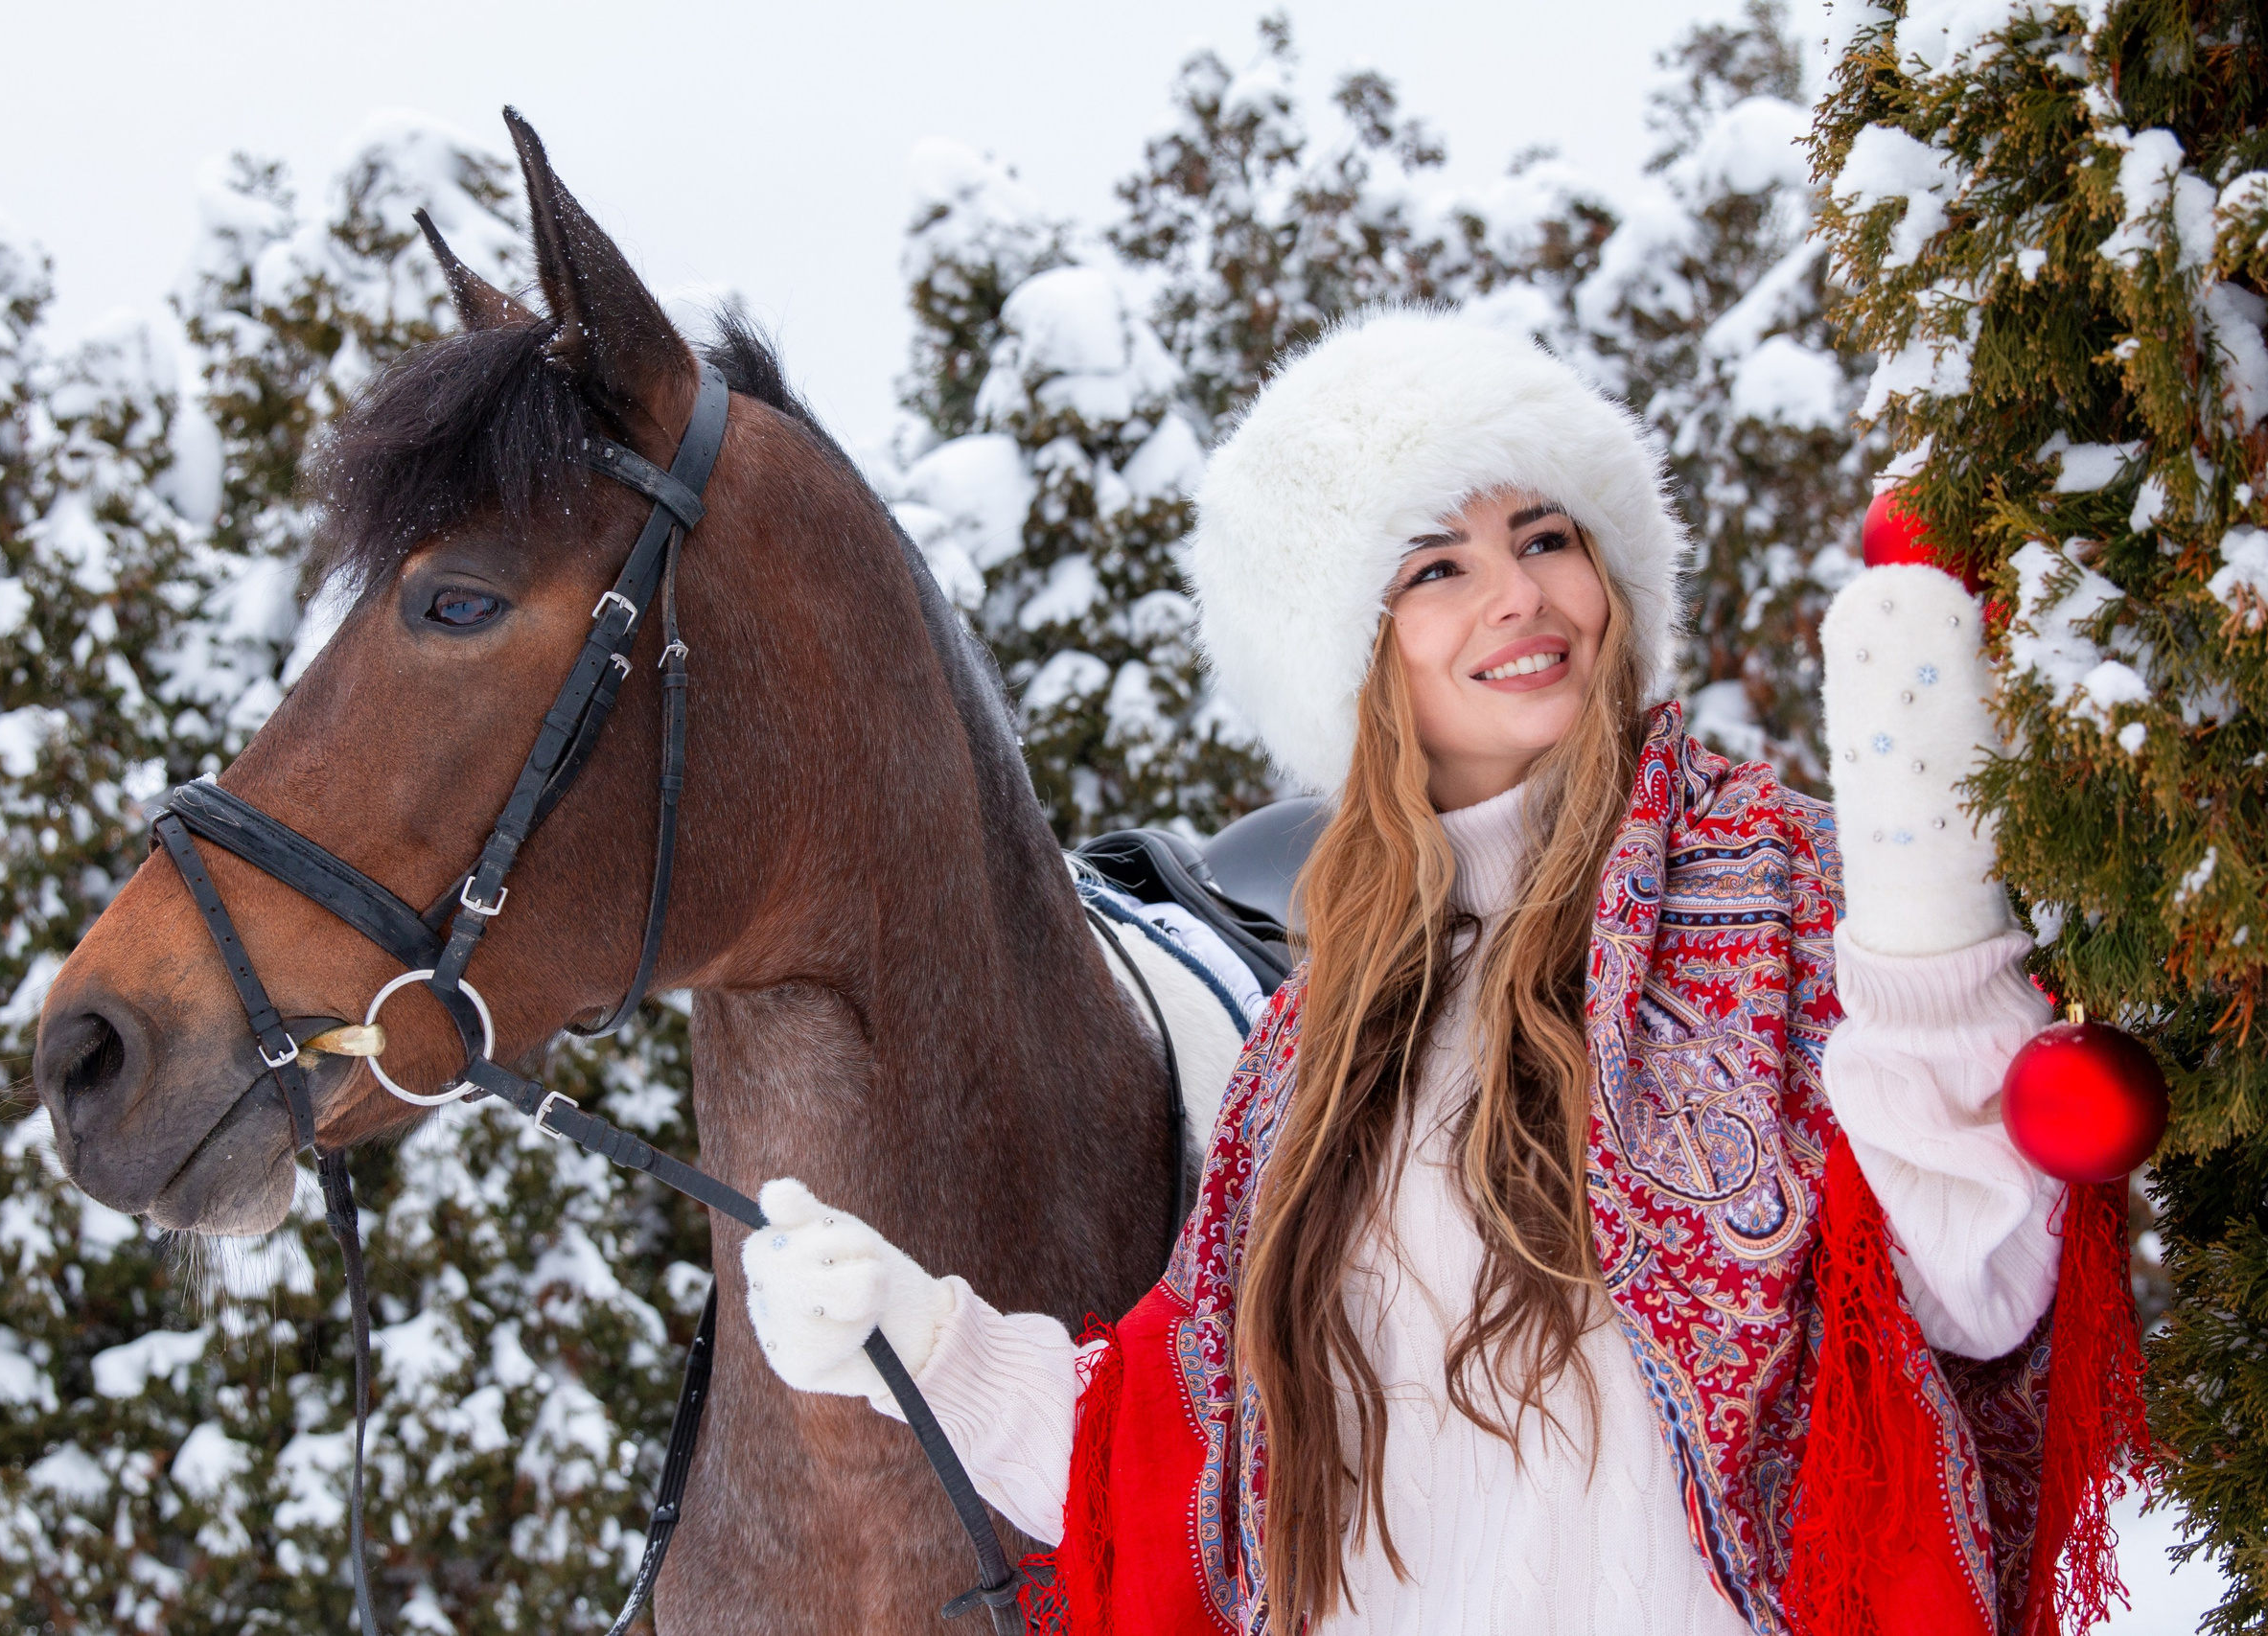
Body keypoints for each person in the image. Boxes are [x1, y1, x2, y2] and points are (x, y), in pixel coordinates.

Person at [738, 311, 2143, 1635]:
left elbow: (1974, 1294)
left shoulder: (1789, 889)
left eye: (1546, 535)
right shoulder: (1314, 1041)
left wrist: (1930, 927)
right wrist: (927, 1339)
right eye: (1438, 566)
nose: (1520, 595)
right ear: (1353, 647)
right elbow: (1198, 1461)